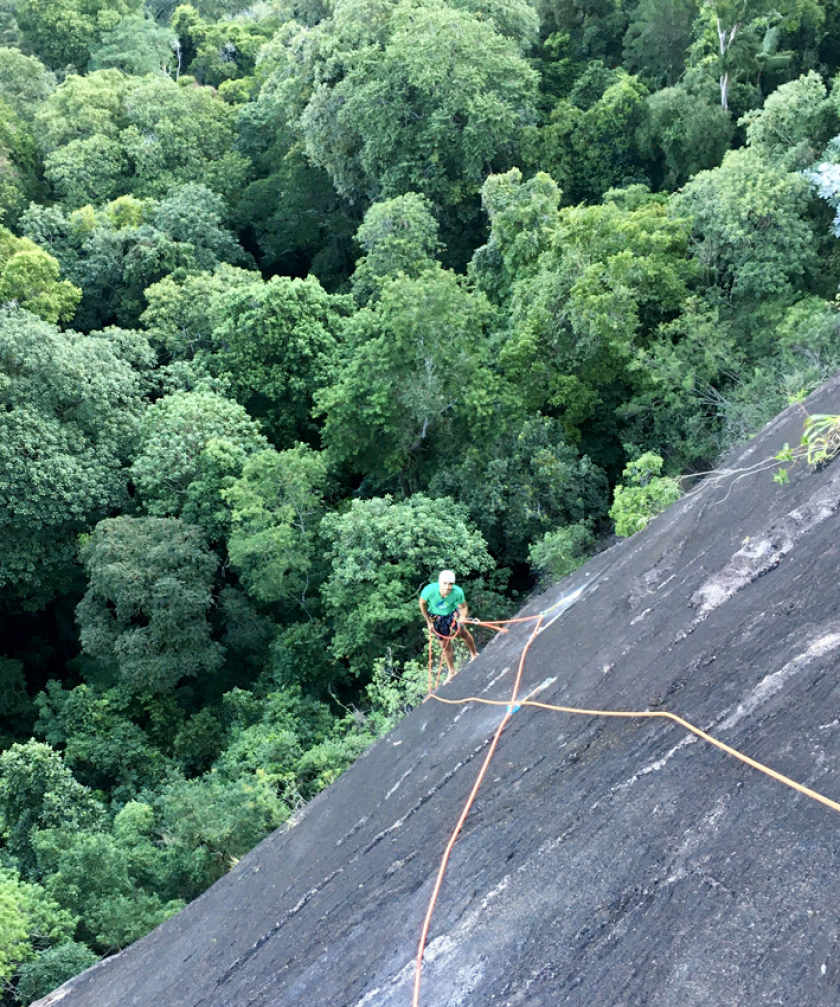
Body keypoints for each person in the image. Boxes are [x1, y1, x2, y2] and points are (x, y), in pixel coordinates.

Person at [419, 570, 478, 682]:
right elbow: (422, 604)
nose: (447, 587)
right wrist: (428, 621)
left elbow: (463, 607)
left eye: (450, 584)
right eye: (445, 583)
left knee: (463, 633)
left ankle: (474, 654)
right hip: (437, 618)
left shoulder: (457, 592)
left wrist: (463, 617)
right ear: (439, 582)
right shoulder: (429, 590)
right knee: (444, 645)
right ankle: (452, 671)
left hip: (451, 614)